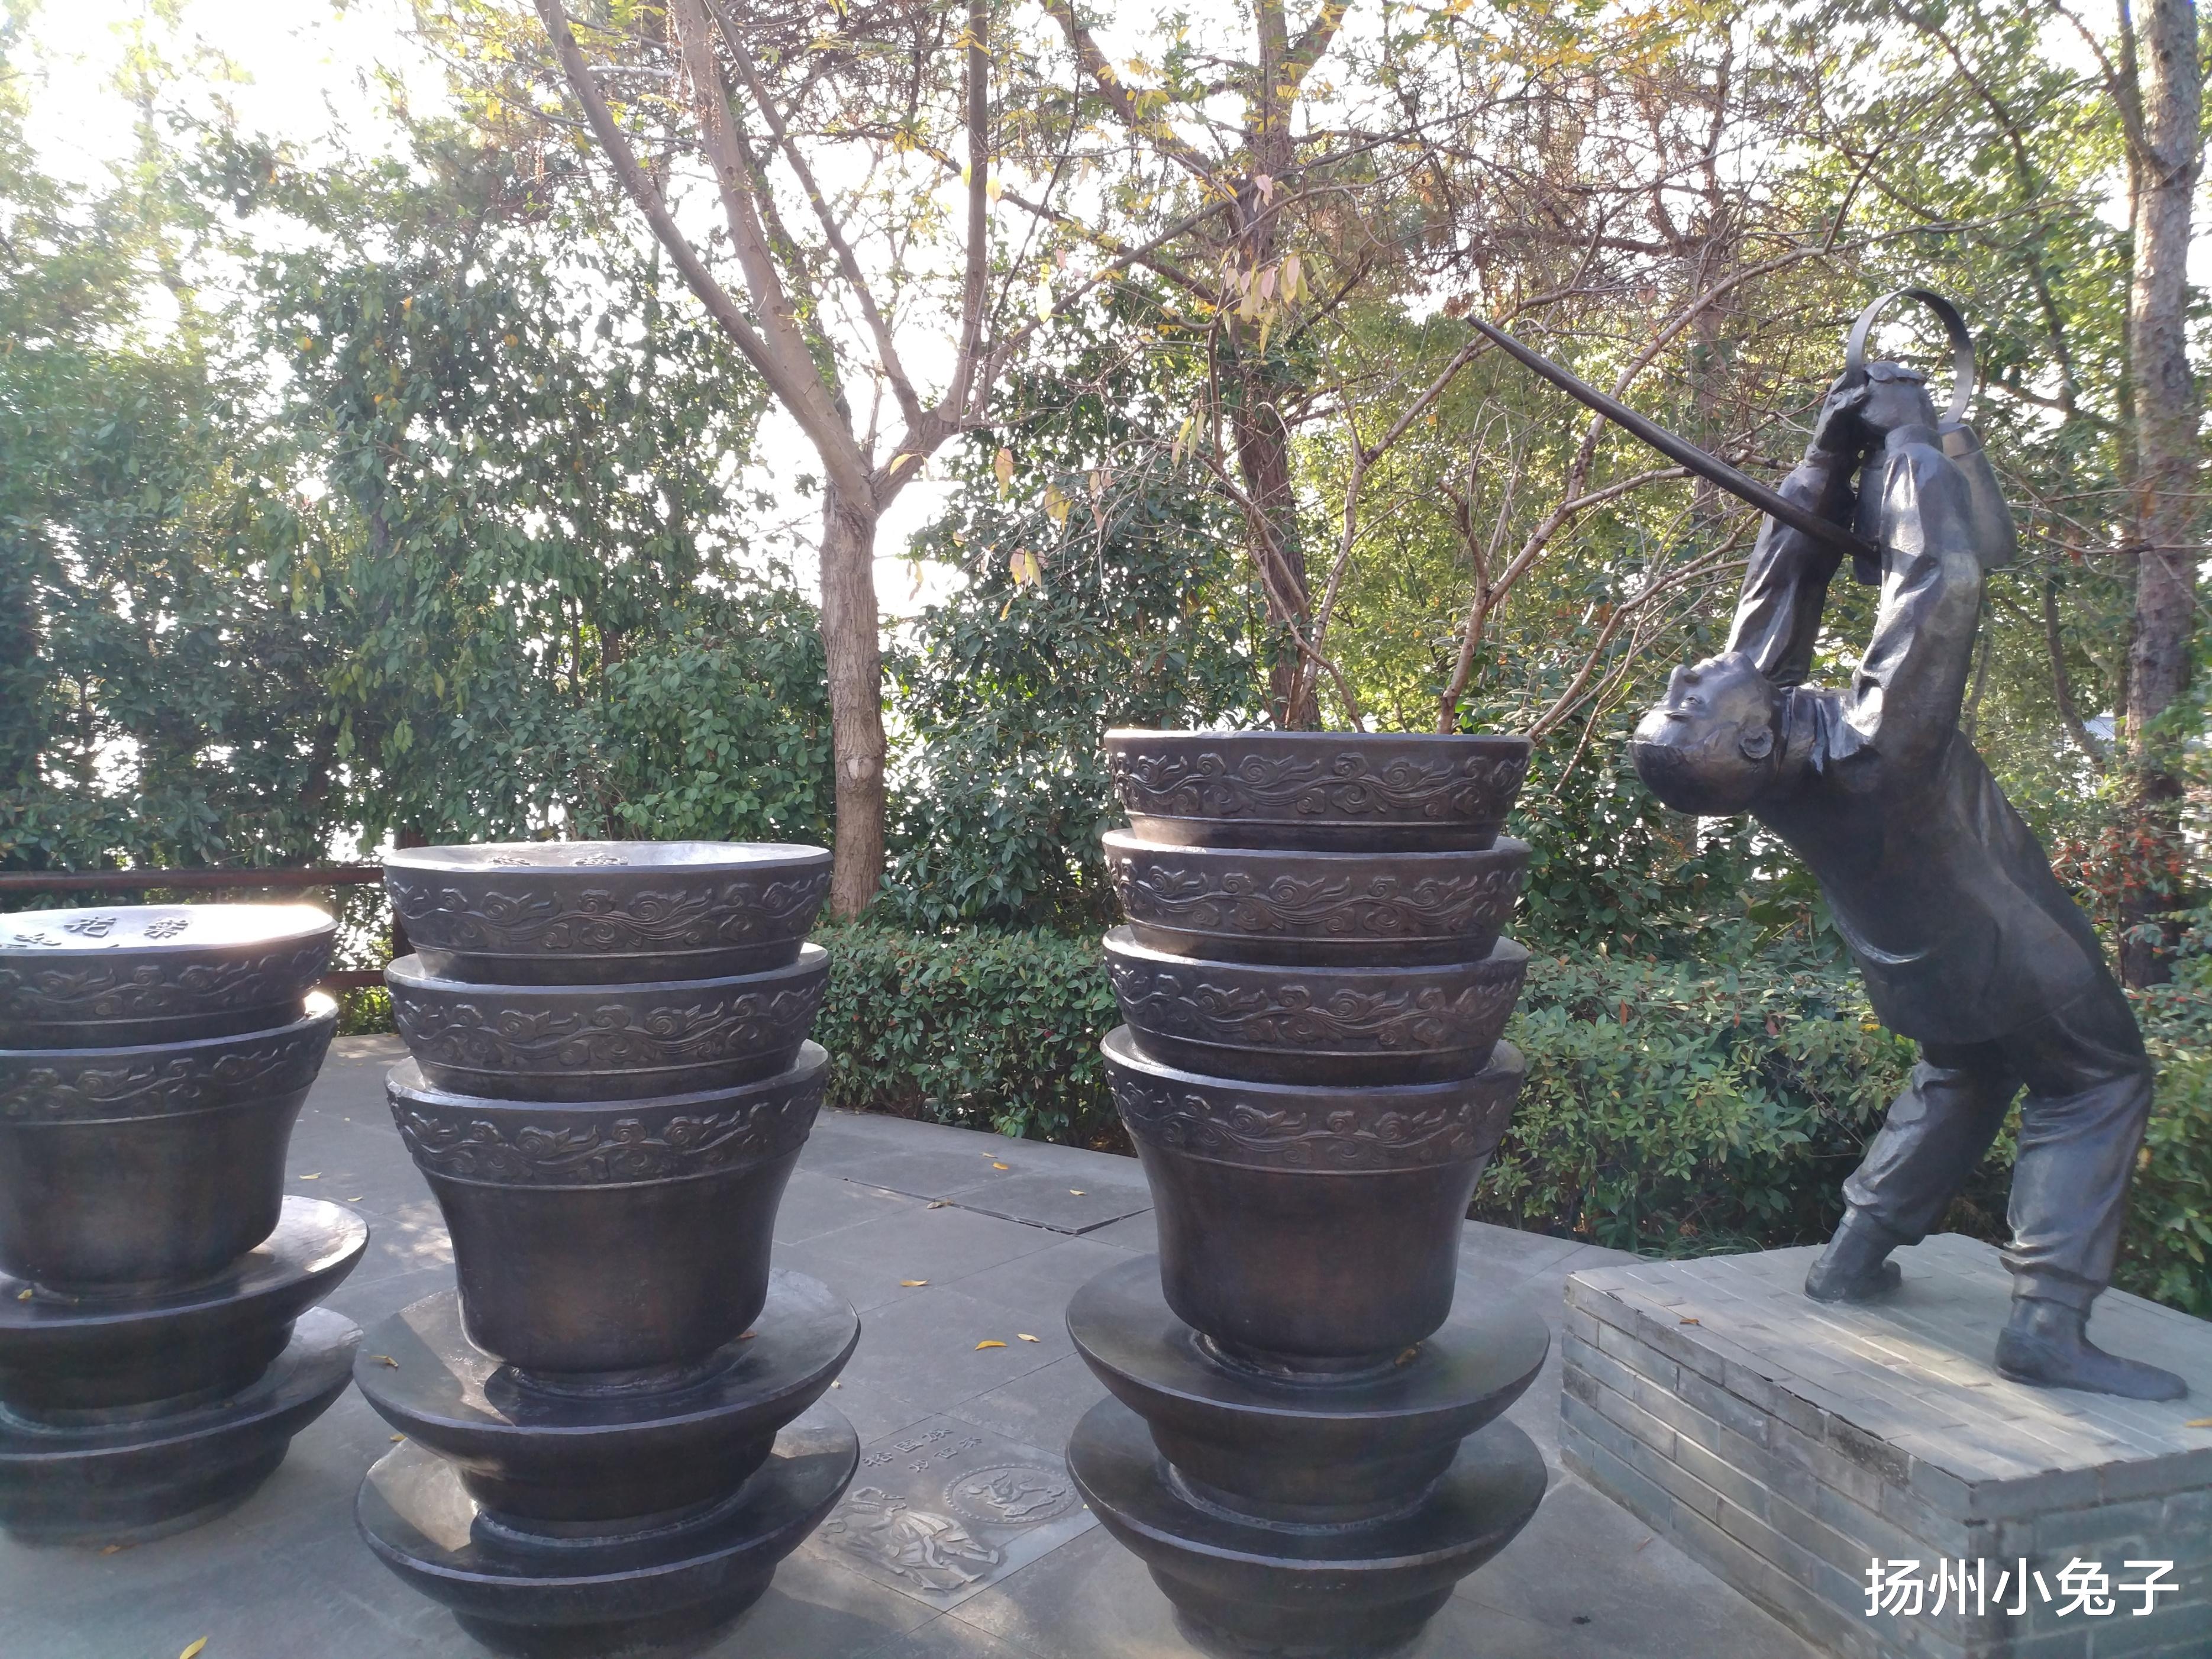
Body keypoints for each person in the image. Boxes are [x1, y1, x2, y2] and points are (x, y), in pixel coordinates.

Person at [1627, 361, 2185, 1402]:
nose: (1686, 672)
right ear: (1748, 741)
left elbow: (1774, 595)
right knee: (2098, 1083)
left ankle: (1851, 1257)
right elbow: (1938, 585)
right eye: (1689, 700)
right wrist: (1915, 441)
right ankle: (2047, 1323)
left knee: (1963, 1072)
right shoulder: (1875, 749)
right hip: (2009, 952)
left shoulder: (1781, 748)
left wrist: (1826, 458)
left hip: (1912, 970)